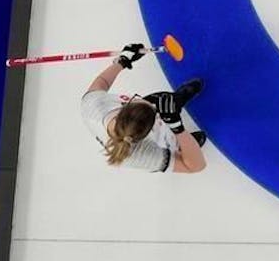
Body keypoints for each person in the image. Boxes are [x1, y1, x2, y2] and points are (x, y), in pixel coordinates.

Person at [80, 43, 207, 173]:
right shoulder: (140, 155)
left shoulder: (93, 105)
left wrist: (122, 61)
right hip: (162, 141)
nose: (153, 106)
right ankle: (179, 144)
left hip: (141, 125)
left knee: (161, 99)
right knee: (173, 140)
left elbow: (102, 82)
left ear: (123, 107)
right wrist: (177, 127)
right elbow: (196, 166)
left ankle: (178, 99)